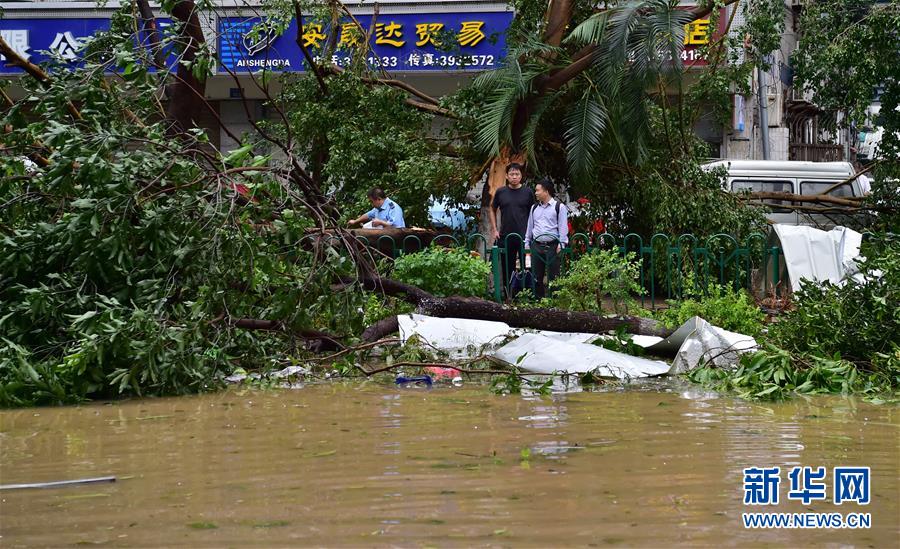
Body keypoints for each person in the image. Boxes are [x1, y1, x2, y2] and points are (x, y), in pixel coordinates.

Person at [489, 163, 534, 294]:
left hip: (525, 237)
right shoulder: (501, 192)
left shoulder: (528, 192)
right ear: (507, 176)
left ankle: (527, 295)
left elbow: (534, 212)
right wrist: (494, 229)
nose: (514, 177)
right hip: (505, 236)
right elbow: (492, 209)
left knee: (528, 266)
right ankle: (509, 295)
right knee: (507, 267)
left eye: (517, 174)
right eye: (512, 174)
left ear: (521, 176)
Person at [525, 179, 568, 299]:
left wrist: (562, 244)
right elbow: (530, 226)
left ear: (546, 191)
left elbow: (563, 227)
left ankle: (554, 302)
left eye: (538, 190)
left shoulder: (559, 207)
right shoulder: (534, 208)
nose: (536, 193)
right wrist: (527, 242)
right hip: (537, 245)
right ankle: (538, 301)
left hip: (553, 245)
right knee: (536, 276)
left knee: (554, 276)